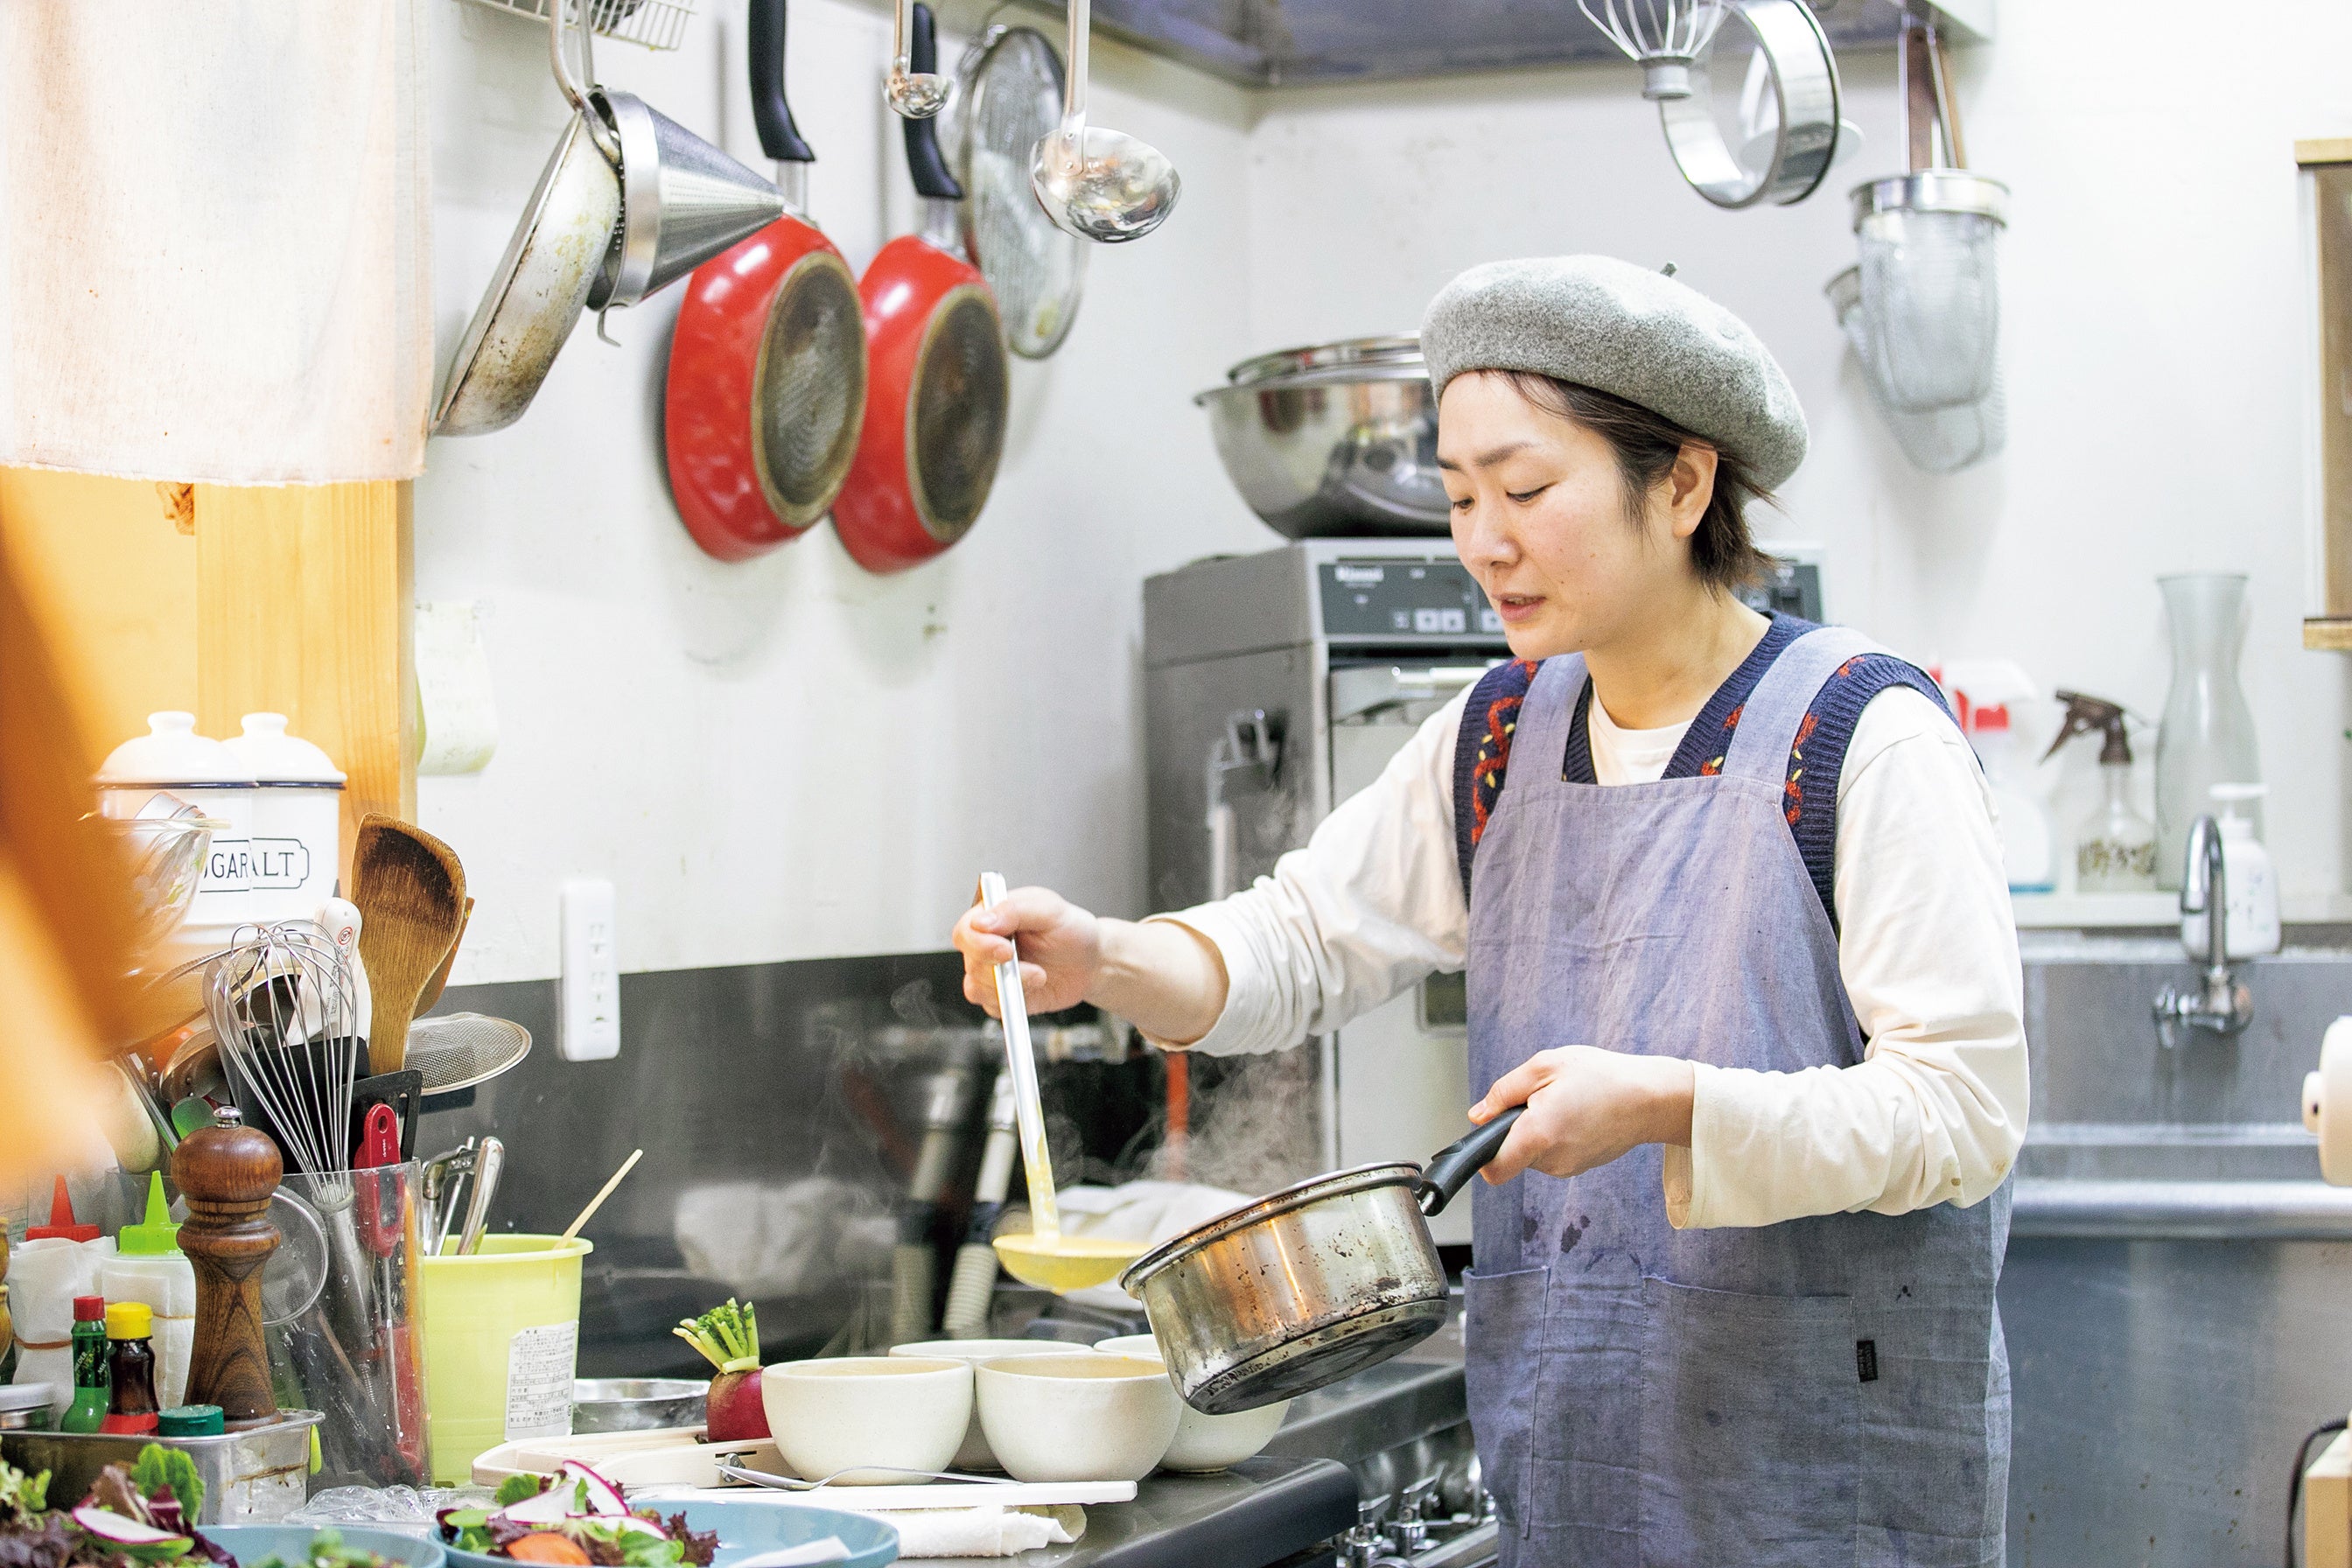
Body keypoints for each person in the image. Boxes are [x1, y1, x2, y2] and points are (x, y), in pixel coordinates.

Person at [952, 255, 2024, 1567]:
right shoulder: (1499, 734)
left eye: (1525, 489)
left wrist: (1673, 1107)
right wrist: (1105, 956)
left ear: (1682, 484)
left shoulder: (1865, 738)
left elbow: (1964, 1115)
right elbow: (1300, 941)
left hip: (1821, 1498)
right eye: (1460, 497)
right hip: (1575, 1485)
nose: (1482, 542)